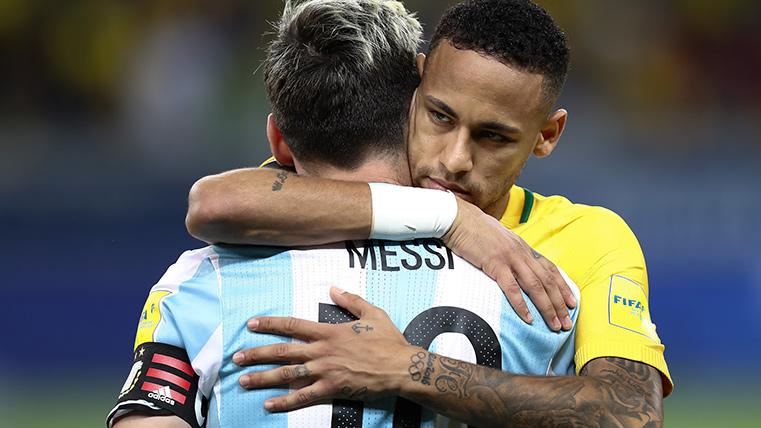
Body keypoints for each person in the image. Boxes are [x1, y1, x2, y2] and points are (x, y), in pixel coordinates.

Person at [187, 0, 674, 426]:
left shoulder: (587, 238)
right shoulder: (347, 199)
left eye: (493, 136)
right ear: (417, 86)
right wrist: (449, 216)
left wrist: (406, 368)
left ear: (546, 135)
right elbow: (217, 202)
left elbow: (631, 414)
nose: (455, 159)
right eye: (440, 116)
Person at [107, 1, 581, 427]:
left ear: (278, 143)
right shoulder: (537, 289)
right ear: (413, 111)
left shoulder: (205, 283)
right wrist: (451, 214)